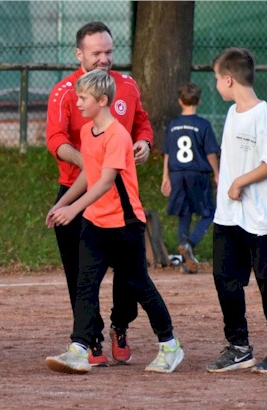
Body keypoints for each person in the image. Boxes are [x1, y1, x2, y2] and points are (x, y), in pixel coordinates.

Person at [44, 69, 184, 375]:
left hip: (125, 225)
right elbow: (88, 174)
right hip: (95, 224)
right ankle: (78, 349)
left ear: (102, 101)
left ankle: (170, 345)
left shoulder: (118, 135)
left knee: (139, 286)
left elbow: (106, 181)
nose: (78, 103)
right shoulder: (87, 132)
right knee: (85, 285)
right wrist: (61, 204)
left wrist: (73, 209)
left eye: (83, 98)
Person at [45, 21, 152, 367]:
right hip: (76, 190)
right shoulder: (64, 92)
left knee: (129, 271)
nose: (104, 58)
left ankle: (121, 325)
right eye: (96, 53)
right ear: (79, 54)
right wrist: (88, 163)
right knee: (80, 274)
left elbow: (142, 122)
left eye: (109, 52)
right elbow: (55, 139)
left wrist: (144, 142)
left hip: (117, 196)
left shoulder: (127, 86)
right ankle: (90, 338)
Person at [206, 48, 267, 374]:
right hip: (228, 216)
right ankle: (239, 347)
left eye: (217, 78)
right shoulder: (233, 113)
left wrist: (240, 181)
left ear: (229, 79)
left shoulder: (263, 116)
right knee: (224, 278)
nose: (216, 84)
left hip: (260, 219)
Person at [161, 83, 220, 274]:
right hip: (197, 174)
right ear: (199, 101)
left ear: (180, 101)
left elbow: (168, 153)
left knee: (184, 214)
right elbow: (211, 153)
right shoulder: (203, 125)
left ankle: (185, 257)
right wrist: (217, 173)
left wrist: (165, 177)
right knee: (209, 213)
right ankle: (190, 244)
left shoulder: (173, 125)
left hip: (177, 174)